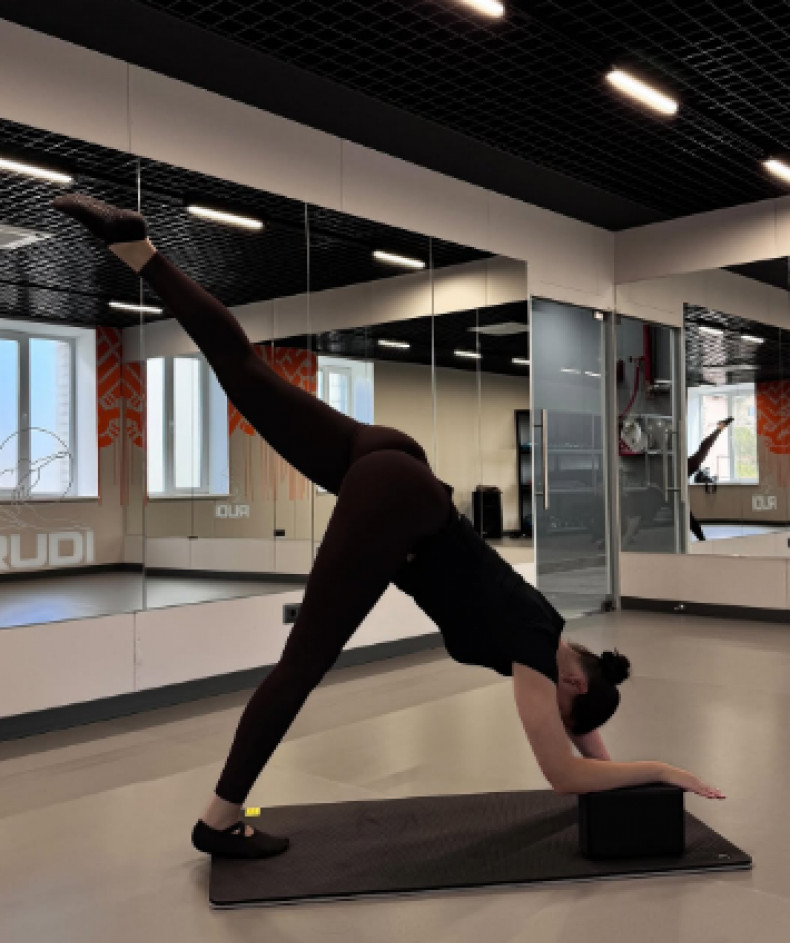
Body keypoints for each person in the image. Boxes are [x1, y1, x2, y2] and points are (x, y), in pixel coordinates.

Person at [53, 194, 725, 861]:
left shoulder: (550, 638)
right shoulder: (532, 653)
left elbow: (583, 738)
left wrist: (612, 761)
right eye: (561, 709)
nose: (547, 714)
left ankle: (139, 251)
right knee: (303, 664)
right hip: (397, 503)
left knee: (245, 369)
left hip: (390, 459)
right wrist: (663, 769)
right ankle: (219, 819)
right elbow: (562, 775)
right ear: (571, 684)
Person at [687, 417, 733, 541]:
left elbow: (704, 448)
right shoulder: (688, 465)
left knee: (690, 520)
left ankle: (702, 540)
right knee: (689, 519)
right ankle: (702, 540)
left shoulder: (688, 464)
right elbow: (704, 448)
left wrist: (719, 429)